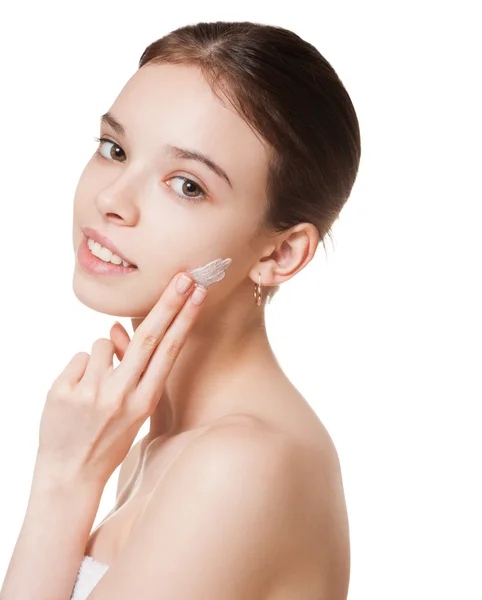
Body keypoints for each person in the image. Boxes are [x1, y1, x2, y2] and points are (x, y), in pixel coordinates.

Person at [1, 20, 360, 600]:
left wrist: (63, 480)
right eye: (114, 149)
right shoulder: (155, 446)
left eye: (187, 185)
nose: (111, 199)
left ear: (280, 253)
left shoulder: (243, 464)